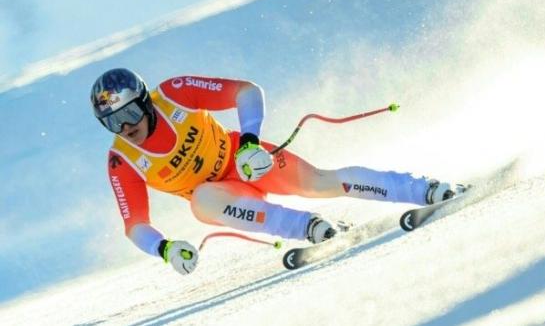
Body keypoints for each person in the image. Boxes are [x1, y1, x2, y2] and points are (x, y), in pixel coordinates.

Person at [91, 68, 458, 275]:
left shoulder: (174, 93)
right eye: (112, 122)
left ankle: (424, 189)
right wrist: (166, 248)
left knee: (320, 183)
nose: (125, 128)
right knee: (202, 201)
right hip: (227, 198)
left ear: (145, 102)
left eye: (128, 114)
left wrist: (250, 142)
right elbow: (134, 224)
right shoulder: (122, 159)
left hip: (247, 163)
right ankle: (309, 228)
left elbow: (246, 91)